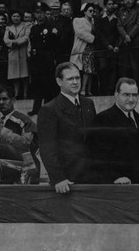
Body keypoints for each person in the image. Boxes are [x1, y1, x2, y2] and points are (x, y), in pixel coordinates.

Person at [37, 62, 97, 193]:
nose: (75, 82)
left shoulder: (88, 104)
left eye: (77, 78)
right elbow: (47, 149)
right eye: (70, 79)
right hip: (67, 181)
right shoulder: (49, 109)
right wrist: (58, 178)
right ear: (59, 81)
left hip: (91, 177)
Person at [88, 78, 139, 184]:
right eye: (126, 95)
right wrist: (115, 177)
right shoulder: (103, 119)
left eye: (134, 95)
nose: (131, 99)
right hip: (117, 186)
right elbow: (98, 156)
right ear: (116, 95)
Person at [0, 84, 38, 184]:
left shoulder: (23, 120)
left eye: (5, 99)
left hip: (21, 170)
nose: (1, 102)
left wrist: (2, 130)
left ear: (13, 100)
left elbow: (27, 144)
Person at [27, 2, 59, 116]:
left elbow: (55, 44)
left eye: (41, 13)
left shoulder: (51, 27)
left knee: (48, 85)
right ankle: (36, 108)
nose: (39, 15)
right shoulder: (34, 28)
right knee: (37, 84)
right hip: (36, 60)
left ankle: (47, 109)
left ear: (45, 13)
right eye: (37, 13)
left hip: (47, 59)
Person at [70, 3, 96, 96]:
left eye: (93, 11)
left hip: (91, 48)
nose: (92, 13)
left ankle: (88, 89)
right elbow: (80, 33)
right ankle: (83, 89)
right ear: (84, 11)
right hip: (82, 47)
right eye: (90, 11)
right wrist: (93, 39)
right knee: (84, 69)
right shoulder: (78, 20)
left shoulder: (93, 22)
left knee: (90, 69)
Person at [95, 0, 119, 96]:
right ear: (105, 6)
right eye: (109, 4)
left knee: (112, 69)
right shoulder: (99, 18)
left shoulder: (116, 18)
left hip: (113, 49)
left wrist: (117, 45)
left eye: (112, 4)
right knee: (103, 68)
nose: (111, 6)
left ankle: (110, 90)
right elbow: (98, 33)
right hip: (102, 49)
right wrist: (107, 44)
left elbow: (118, 34)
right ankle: (103, 90)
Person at [4, 9, 30, 99]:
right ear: (11, 17)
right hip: (13, 53)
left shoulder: (26, 25)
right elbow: (6, 40)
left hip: (23, 51)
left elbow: (26, 37)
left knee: (25, 74)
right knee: (14, 74)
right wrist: (12, 43)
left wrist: (17, 42)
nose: (16, 18)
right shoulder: (8, 28)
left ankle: (25, 93)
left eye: (18, 16)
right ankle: (16, 92)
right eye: (14, 16)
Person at [117, 0, 139, 83]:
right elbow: (119, 25)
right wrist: (125, 36)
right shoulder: (120, 12)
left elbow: (138, 24)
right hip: (124, 42)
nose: (128, 1)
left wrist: (130, 36)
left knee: (135, 66)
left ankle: (138, 86)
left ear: (133, 0)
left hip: (135, 41)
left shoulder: (138, 10)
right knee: (124, 66)